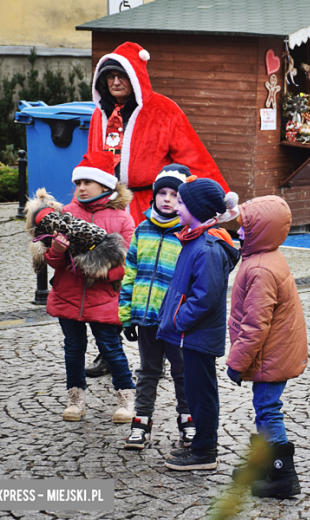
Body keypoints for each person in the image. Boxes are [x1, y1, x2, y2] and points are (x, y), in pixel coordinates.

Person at [88, 41, 229, 225]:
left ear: (135, 77)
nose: (115, 82)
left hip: (152, 208)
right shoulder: (99, 114)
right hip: (106, 205)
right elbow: (91, 161)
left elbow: (193, 158)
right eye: (110, 76)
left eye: (121, 76)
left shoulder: (164, 109)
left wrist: (219, 200)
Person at [42, 152, 136, 423]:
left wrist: (102, 270)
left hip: (104, 297)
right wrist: (57, 250)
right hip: (68, 294)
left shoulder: (122, 219)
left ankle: (126, 398)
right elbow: (51, 260)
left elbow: (128, 262)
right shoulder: (66, 214)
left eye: (88, 182)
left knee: (110, 347)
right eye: (78, 182)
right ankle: (76, 397)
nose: (81, 187)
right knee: (73, 348)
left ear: (106, 186)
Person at [225, 196, 308, 499]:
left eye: (246, 227)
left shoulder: (260, 268)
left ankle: (283, 475)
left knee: (269, 411)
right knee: (263, 409)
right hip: (274, 353)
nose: (240, 232)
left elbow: (255, 324)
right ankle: (265, 464)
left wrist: (236, 363)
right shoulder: (266, 257)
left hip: (269, 356)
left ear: (262, 231)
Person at [158, 176, 240, 471]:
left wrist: (179, 320)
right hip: (190, 335)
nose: (176, 207)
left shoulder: (207, 247)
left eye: (181, 202)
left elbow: (204, 297)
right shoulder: (194, 240)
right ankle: (201, 446)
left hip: (197, 335)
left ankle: (205, 451)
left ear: (198, 207)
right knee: (194, 391)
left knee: (202, 394)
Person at [119, 165, 194, 450]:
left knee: (182, 371)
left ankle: (188, 421)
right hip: (146, 318)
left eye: (174, 194)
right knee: (149, 371)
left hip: (175, 320)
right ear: (153, 197)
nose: (167, 199)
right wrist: (126, 316)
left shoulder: (187, 233)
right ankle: (141, 423)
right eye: (161, 193)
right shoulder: (142, 229)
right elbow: (131, 272)